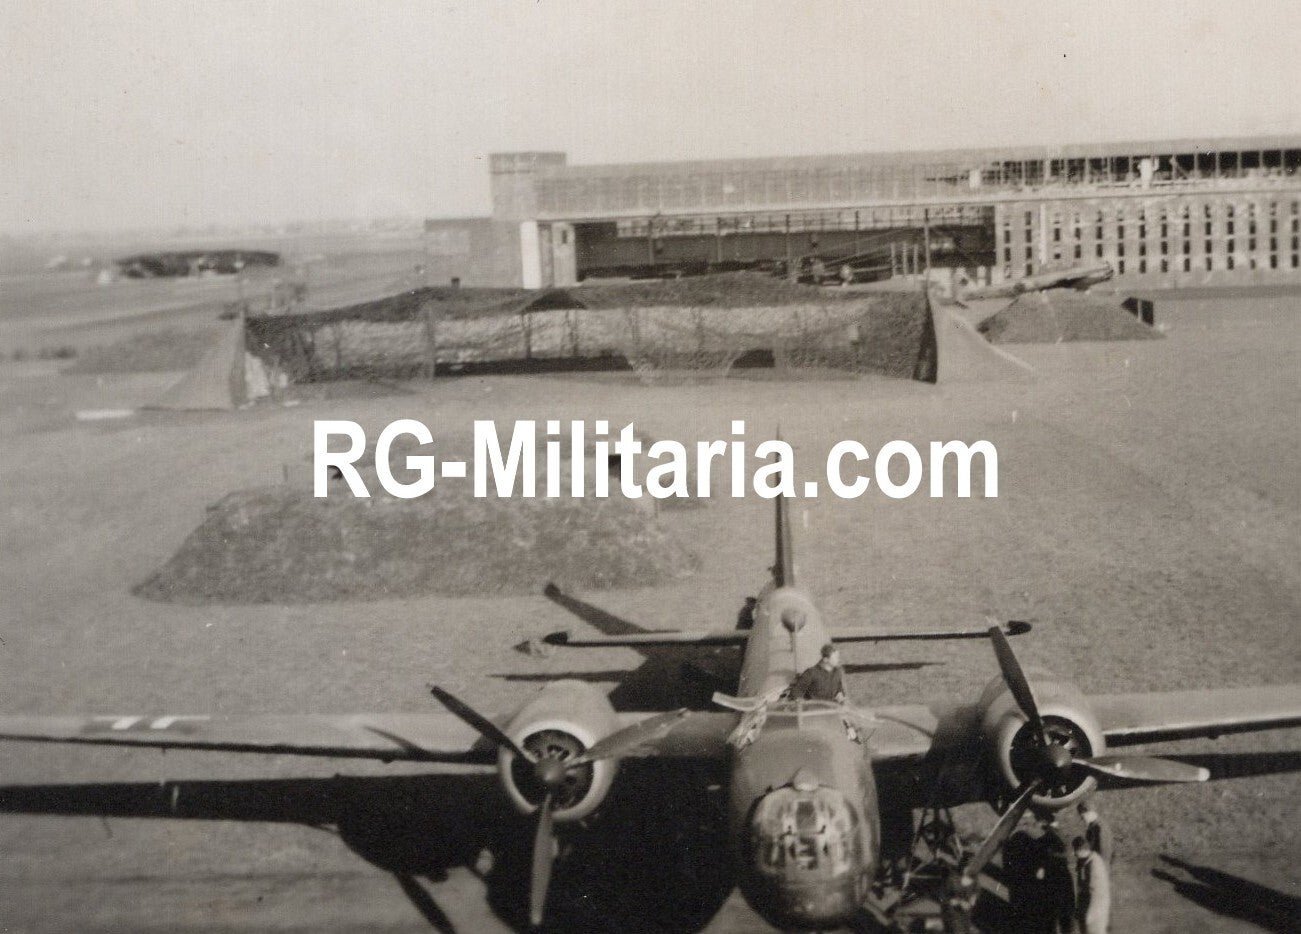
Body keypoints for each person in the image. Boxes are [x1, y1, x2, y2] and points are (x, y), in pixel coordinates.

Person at [1074, 835, 1112, 933]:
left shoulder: (1095, 864)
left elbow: (1097, 892)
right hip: (1086, 902)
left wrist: (1090, 914)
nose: (1074, 854)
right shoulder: (1084, 861)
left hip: (1096, 906)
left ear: (1082, 850)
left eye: (1076, 851)